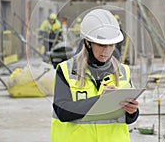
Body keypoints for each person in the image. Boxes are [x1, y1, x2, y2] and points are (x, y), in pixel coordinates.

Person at [51, 9, 139, 142]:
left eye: (111, 45)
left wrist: (132, 112)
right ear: (88, 43)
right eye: (101, 45)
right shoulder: (66, 71)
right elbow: (62, 111)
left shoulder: (123, 72)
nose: (107, 51)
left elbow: (126, 119)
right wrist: (100, 101)